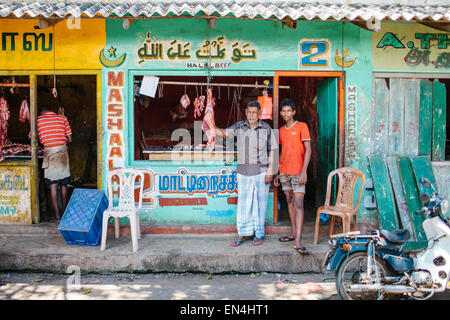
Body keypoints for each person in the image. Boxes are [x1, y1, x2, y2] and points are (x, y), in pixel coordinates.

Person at [216, 101, 278, 246]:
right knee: (243, 204)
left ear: (259, 114)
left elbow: (273, 151)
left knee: (260, 204)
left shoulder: (266, 128)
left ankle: (258, 234)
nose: (251, 115)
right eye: (249, 112)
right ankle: (242, 234)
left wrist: (271, 171)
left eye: (254, 112)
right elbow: (224, 133)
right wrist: (211, 125)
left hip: (261, 171)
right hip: (243, 172)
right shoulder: (239, 127)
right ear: (246, 113)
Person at [275, 98, 311, 255]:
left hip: (298, 172)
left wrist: (304, 171)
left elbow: (308, 150)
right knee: (289, 201)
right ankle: (294, 233)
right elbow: (282, 152)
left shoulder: (302, 126)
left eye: (288, 111)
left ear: (294, 112)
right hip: (284, 171)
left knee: (299, 204)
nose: (285, 113)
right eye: (283, 111)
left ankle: (298, 241)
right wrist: (277, 171)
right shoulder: (281, 130)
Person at [37, 105, 72, 222]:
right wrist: (61, 141)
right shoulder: (63, 118)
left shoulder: (39, 120)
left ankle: (57, 215)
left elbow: (38, 139)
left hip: (49, 152)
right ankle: (64, 213)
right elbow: (70, 139)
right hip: (62, 151)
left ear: (42, 112)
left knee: (53, 185)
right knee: (64, 184)